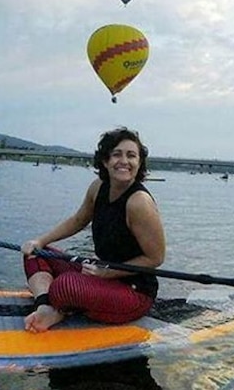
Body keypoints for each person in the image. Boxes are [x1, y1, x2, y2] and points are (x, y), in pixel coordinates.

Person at [21, 127, 166, 333]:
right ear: (105, 161)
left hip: (134, 291)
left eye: (131, 155)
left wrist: (108, 273)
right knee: (33, 254)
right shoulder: (98, 187)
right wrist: (40, 241)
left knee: (66, 285)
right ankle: (45, 305)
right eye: (117, 154)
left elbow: (155, 258)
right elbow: (79, 220)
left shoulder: (139, 202)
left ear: (139, 163)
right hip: (99, 273)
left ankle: (61, 307)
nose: (124, 161)